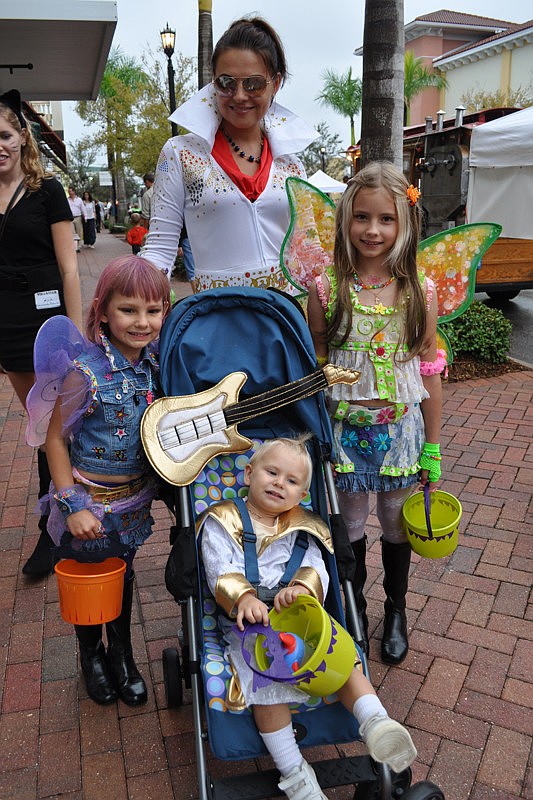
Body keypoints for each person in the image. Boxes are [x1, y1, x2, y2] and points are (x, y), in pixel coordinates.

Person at [199, 436, 417, 800]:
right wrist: (245, 597)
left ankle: (377, 724)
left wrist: (303, 587)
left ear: (302, 494)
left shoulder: (306, 525)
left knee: (344, 658)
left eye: (291, 481)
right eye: (271, 472)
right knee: (266, 685)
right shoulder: (223, 519)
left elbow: (317, 565)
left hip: (298, 615)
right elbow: (218, 567)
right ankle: (295, 774)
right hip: (251, 624)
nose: (278, 483)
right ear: (250, 473)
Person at [307, 162, 444, 665]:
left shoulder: (419, 292)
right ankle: (354, 607)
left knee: (395, 524)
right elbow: (318, 360)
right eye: (361, 217)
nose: (372, 230)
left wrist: (431, 445)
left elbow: (429, 372)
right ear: (346, 219)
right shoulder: (326, 288)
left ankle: (397, 609)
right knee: (350, 525)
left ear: (404, 222)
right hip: (343, 433)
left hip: (401, 435)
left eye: (385, 219)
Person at [26, 255, 170, 705]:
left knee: (121, 574)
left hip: (133, 504)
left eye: (153, 310)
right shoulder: (83, 372)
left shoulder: (158, 366)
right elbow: (54, 442)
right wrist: (73, 505)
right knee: (90, 581)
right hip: (88, 505)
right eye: (129, 310)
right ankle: (91, 655)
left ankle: (122, 653)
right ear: (103, 311)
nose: (142, 322)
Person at [141, 16, 316, 290]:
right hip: (216, 323)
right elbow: (160, 248)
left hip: (286, 322)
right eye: (226, 83)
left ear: (276, 83)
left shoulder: (291, 163)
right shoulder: (181, 154)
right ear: (214, 82)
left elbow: (309, 254)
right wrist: (135, 297)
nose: (239, 95)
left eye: (254, 84)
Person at [0, 89, 82, 577]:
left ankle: (53, 527)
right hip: (6, 325)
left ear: (21, 136)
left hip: (47, 323)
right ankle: (63, 509)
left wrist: (75, 336)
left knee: (54, 422)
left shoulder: (46, 190)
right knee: (39, 428)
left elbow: (70, 269)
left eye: (5, 135)